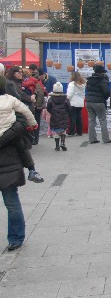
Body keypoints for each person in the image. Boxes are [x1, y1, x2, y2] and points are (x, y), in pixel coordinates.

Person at [0, 100, 42, 251]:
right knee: (12, 204)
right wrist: (31, 168)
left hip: (8, 166)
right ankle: (16, 238)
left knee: (12, 204)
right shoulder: (15, 126)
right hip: (10, 167)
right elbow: (23, 149)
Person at [0, 75, 43, 184]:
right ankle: (32, 170)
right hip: (9, 129)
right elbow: (25, 111)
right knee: (22, 147)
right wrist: (33, 124)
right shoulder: (11, 99)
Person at [85, 64, 111, 144]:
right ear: (101, 73)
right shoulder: (102, 80)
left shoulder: (89, 80)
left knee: (91, 120)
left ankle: (92, 139)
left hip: (89, 101)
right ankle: (105, 139)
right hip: (99, 102)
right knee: (102, 120)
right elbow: (106, 92)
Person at [47, 82, 70, 151]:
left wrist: (52, 112)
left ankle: (57, 146)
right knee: (63, 130)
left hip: (54, 116)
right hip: (63, 116)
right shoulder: (65, 98)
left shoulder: (51, 98)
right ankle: (63, 143)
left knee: (56, 132)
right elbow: (69, 107)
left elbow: (48, 107)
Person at [66, 71, 86, 136]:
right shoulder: (82, 84)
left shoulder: (71, 84)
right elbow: (83, 94)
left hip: (73, 102)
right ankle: (79, 131)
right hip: (80, 103)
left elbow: (70, 94)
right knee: (79, 118)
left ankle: (71, 132)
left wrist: (66, 99)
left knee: (72, 118)